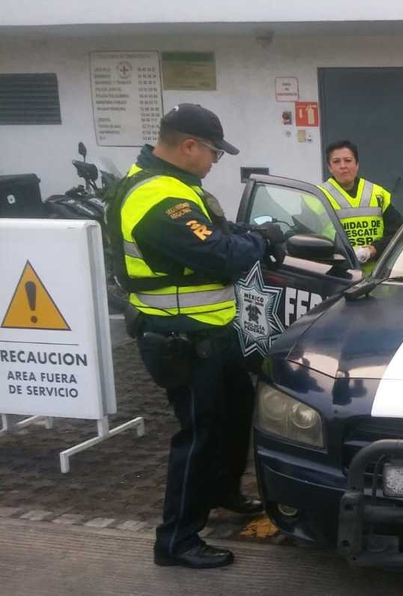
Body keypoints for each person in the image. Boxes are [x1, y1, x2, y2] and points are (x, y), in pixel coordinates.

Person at [109, 103, 286, 569]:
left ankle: (223, 493)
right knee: (198, 436)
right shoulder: (156, 198)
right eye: (213, 153)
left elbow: (219, 234)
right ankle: (177, 540)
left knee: (234, 418)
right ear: (189, 145)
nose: (214, 162)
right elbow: (222, 254)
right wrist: (263, 241)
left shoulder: (176, 188)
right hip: (183, 340)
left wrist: (253, 233)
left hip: (213, 334)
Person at [318, 140, 403, 273]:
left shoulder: (377, 194)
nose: (343, 166)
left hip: (377, 275)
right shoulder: (318, 197)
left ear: (357, 164)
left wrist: (373, 249)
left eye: (348, 160)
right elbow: (306, 238)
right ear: (329, 167)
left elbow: (398, 232)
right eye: (336, 162)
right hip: (336, 273)